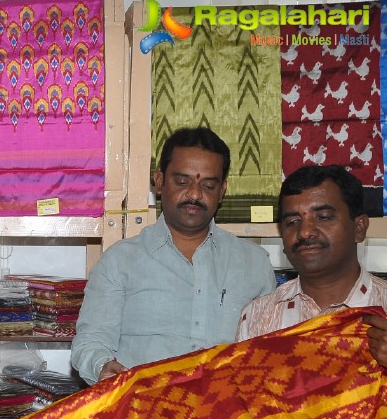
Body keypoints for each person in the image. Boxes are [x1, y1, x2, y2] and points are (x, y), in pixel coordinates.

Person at [71, 126, 276, 384]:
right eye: (182, 182)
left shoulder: (253, 263)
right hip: (141, 413)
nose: (194, 194)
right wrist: (102, 366)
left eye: (208, 185)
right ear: (159, 181)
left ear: (222, 191)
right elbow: (91, 341)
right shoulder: (120, 261)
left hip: (227, 418)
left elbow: (268, 352)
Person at [236, 164, 387, 367]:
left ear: (359, 228)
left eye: (323, 217)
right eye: (293, 221)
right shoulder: (258, 317)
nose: (305, 232)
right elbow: (242, 397)